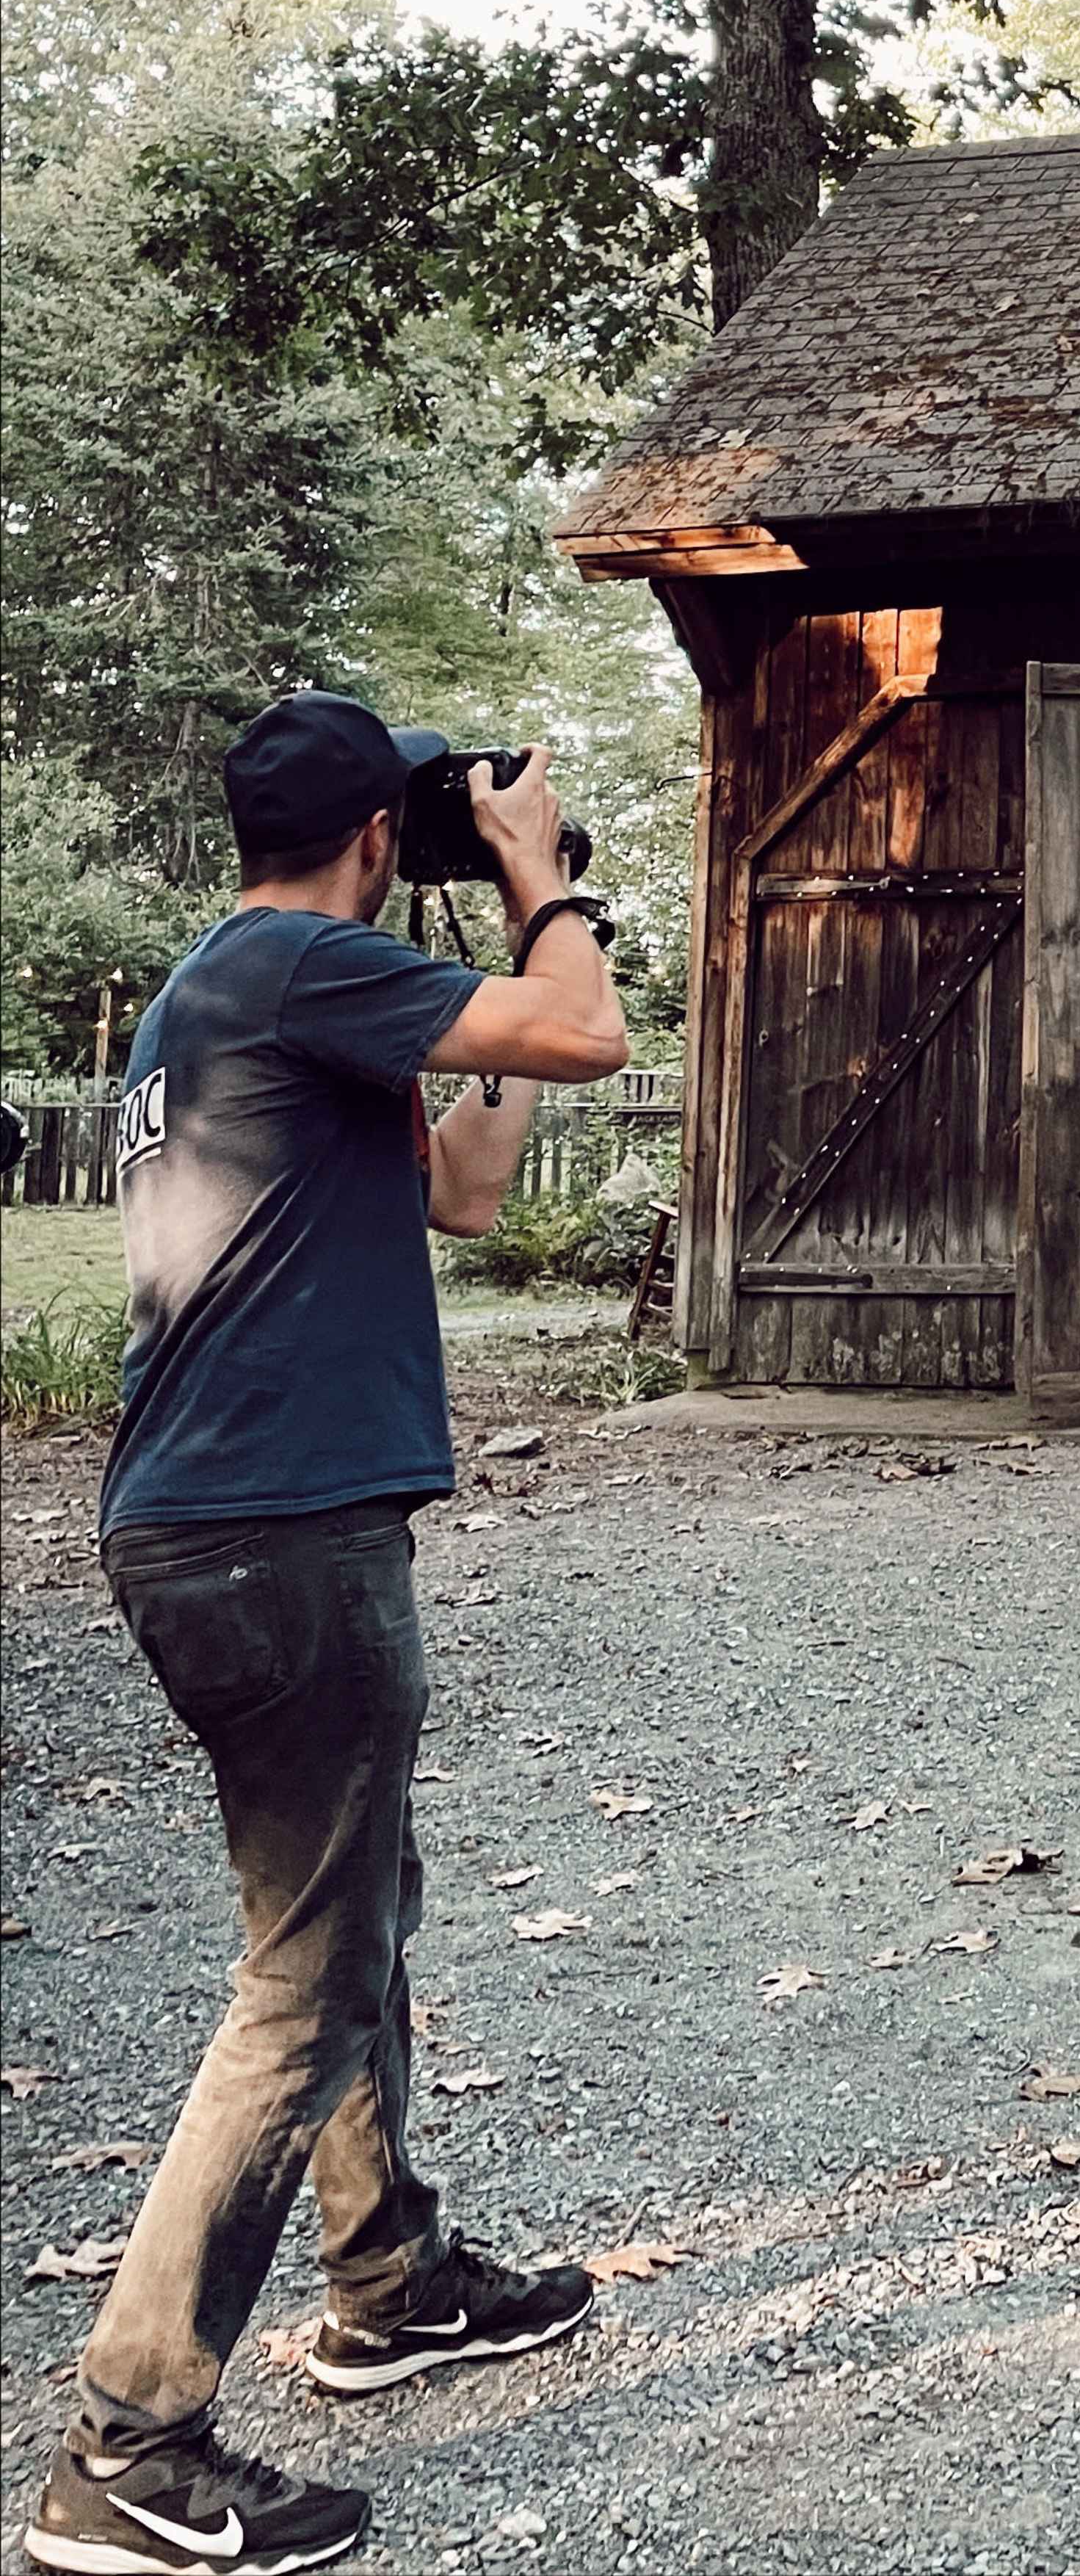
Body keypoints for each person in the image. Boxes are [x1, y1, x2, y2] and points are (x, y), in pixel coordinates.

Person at [26, 694, 631, 2576]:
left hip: (228, 1530)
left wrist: (491, 1020)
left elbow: (461, 1182)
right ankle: (129, 2442)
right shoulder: (299, 958)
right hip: (273, 1537)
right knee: (300, 1979)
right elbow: (594, 1029)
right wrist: (535, 881)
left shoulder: (247, 981)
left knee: (350, 1907)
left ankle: (388, 2277)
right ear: (381, 831)